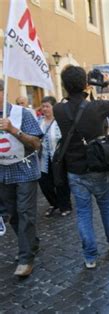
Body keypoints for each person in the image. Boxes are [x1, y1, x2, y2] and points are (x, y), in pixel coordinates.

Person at [54, 65, 109, 269]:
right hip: (98, 166)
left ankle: (90, 257)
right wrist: (108, 84)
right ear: (86, 84)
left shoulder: (58, 109)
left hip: (75, 170)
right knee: (106, 206)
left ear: (64, 86)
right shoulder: (97, 107)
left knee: (84, 212)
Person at [0, 79, 43, 276]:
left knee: (26, 212)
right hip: (3, 174)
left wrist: (14, 130)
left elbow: (36, 143)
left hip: (24, 171)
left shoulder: (21, 114)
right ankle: (31, 243)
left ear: (2, 92)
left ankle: (26, 258)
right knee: (13, 214)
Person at [38, 96, 73, 217]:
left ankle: (65, 205)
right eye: (43, 106)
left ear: (54, 107)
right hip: (43, 158)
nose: (44, 109)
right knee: (44, 183)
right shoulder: (39, 121)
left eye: (47, 106)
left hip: (58, 157)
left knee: (61, 182)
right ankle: (54, 203)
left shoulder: (60, 121)